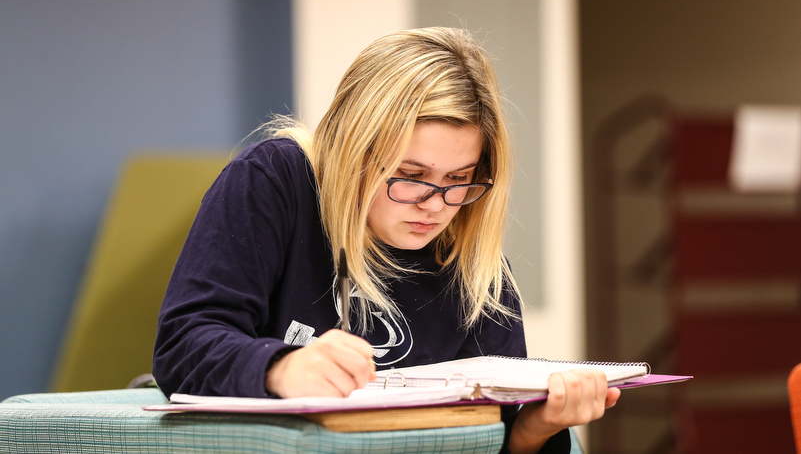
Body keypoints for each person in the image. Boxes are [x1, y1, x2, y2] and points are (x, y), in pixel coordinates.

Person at [152, 27, 619, 453]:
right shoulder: (276, 180)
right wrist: (282, 368)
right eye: (411, 175)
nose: (436, 204)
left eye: (459, 178)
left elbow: (491, 441)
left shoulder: (474, 264)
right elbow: (183, 346)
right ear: (351, 148)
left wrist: (537, 429)